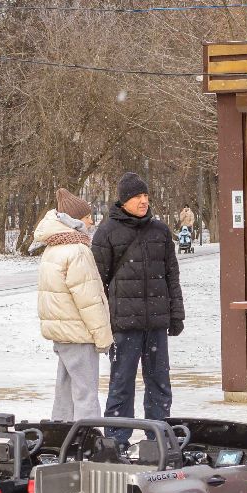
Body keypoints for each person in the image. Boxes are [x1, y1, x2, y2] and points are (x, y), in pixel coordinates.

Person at [92, 171, 185, 441]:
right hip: (124, 326)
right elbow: (98, 283)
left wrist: (176, 314)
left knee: (159, 383)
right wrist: (103, 322)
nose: (143, 201)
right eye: (137, 197)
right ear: (124, 201)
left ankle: (159, 437)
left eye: (145, 196)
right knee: (122, 384)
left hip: (156, 323)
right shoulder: (107, 231)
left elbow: (171, 276)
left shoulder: (160, 230)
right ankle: (117, 441)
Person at [32, 188, 112, 421]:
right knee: (86, 393)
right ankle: (88, 441)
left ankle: (59, 437)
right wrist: (103, 336)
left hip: (63, 332)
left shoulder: (53, 248)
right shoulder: (77, 250)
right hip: (79, 332)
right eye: (87, 216)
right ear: (74, 220)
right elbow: (89, 299)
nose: (92, 221)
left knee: (65, 393)